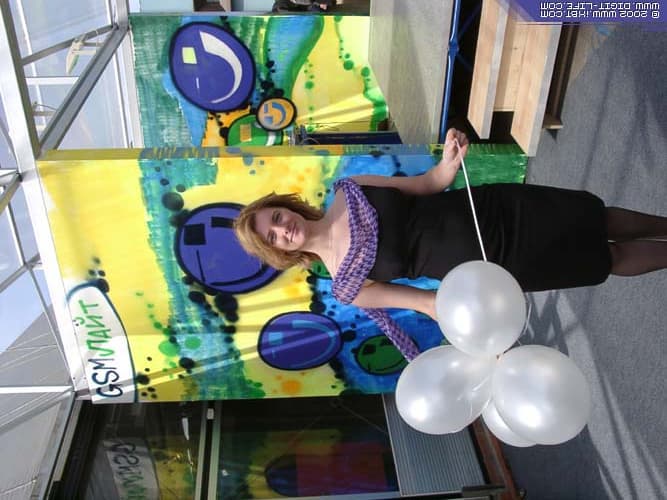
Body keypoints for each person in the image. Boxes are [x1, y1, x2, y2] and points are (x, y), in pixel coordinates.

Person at [234, 129, 667, 360]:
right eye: (273, 237)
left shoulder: (350, 188)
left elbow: (427, 185)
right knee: (604, 257)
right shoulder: (348, 287)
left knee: (596, 216)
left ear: (284, 206)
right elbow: (430, 304)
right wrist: (482, 337)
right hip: (496, 263)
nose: (283, 229)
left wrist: (448, 160)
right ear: (280, 253)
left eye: (276, 218)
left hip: (495, 208)